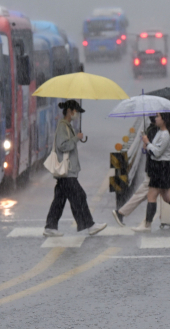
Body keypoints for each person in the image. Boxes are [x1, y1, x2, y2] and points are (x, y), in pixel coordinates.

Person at [43, 100, 107, 237]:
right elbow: (62, 146)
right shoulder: (62, 126)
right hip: (67, 172)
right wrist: (76, 138)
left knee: (59, 200)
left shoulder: (67, 126)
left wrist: (76, 137)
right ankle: (89, 225)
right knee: (79, 195)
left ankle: (50, 226)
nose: (77, 114)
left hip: (67, 172)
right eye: (76, 111)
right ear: (70, 111)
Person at [111, 116, 158, 228]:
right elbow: (154, 151)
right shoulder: (154, 131)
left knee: (158, 196)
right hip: (155, 169)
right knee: (161, 196)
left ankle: (124, 214)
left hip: (155, 168)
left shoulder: (151, 130)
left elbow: (145, 150)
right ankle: (145, 223)